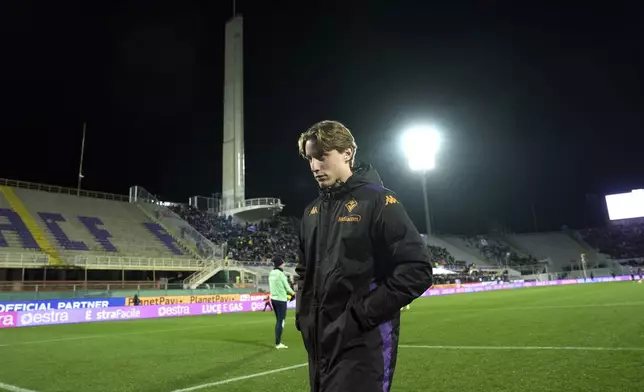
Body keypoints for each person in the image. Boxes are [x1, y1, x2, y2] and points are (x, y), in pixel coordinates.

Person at [295, 120, 433, 392]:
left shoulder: (379, 202)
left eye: (322, 157)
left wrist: (358, 316)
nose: (314, 167)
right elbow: (303, 271)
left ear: (347, 153)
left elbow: (417, 270)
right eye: (310, 159)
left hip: (364, 344)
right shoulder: (311, 213)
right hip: (320, 344)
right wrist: (304, 317)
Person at [269, 255, 295, 349]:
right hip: (281, 300)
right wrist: (294, 294)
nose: (284, 264)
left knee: (278, 320)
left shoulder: (271, 273)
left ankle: (278, 342)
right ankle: (278, 343)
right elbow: (287, 288)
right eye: (283, 262)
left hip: (274, 299)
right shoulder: (281, 274)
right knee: (281, 320)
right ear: (280, 264)